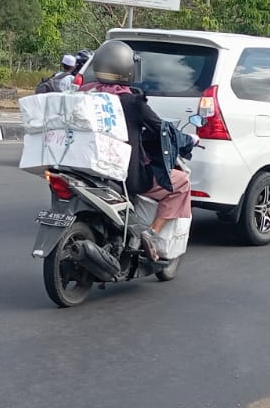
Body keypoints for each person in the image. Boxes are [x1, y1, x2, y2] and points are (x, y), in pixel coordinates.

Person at [76, 40, 193, 253]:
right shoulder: (132, 102)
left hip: (83, 169)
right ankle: (153, 232)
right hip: (127, 176)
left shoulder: (84, 95)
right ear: (128, 69)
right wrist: (188, 139)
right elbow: (162, 129)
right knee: (181, 182)